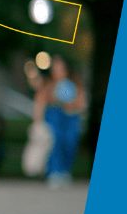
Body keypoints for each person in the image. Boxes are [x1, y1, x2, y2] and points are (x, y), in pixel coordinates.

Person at [31, 57, 86, 188]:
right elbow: (40, 102)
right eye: (55, 69)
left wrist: (71, 104)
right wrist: (37, 121)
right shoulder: (48, 85)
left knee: (69, 142)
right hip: (54, 118)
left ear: (66, 70)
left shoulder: (73, 85)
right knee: (55, 141)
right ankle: (54, 172)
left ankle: (64, 171)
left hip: (70, 118)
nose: (57, 72)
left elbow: (79, 103)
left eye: (59, 68)